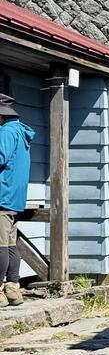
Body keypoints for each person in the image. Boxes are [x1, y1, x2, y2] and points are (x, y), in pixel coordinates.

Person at [0, 94, 35, 307]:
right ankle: (13, 289)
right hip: (15, 197)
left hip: (2, 195)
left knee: (0, 245)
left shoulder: (5, 132)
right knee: (11, 245)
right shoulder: (21, 131)